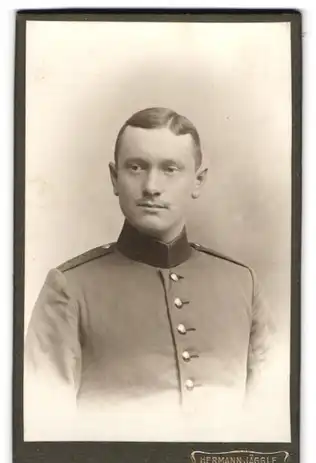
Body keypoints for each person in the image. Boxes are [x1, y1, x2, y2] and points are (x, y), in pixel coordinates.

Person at [24, 107, 276, 441]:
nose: (151, 186)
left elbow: (270, 425)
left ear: (198, 180)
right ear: (115, 178)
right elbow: (44, 433)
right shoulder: (69, 288)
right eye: (136, 167)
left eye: (170, 169)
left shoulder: (243, 283)